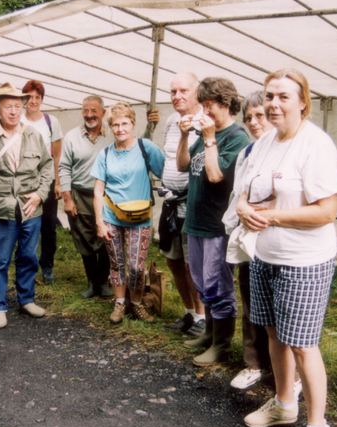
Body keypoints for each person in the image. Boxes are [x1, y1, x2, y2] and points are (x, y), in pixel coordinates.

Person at [237, 69, 337, 427]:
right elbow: (248, 194)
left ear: (303, 101)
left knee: (302, 343)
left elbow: (327, 211)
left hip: (305, 260)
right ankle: (284, 403)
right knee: (273, 334)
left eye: (283, 96)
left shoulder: (315, 144)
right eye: (269, 96)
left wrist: (275, 217)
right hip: (266, 255)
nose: (274, 104)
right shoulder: (264, 142)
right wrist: (245, 210)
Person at [177, 77, 249, 367]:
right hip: (195, 221)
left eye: (210, 106)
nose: (205, 111)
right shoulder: (205, 133)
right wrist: (185, 137)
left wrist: (208, 139)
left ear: (226, 104)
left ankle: (221, 345)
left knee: (218, 285)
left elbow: (216, 175)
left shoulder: (236, 138)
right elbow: (183, 165)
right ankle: (209, 334)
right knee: (201, 282)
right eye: (203, 105)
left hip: (217, 227)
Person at [0, 82, 53, 327]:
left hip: (31, 207)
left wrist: (40, 194)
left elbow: (47, 167)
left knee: (29, 255)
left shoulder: (33, 134)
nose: (13, 111)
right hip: (2, 208)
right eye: (8, 106)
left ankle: (26, 299)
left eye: (17, 106)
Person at [145, 73, 207, 338]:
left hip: (191, 204)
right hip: (170, 203)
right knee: (173, 261)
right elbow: (169, 156)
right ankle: (189, 312)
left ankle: (203, 316)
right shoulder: (172, 120)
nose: (177, 96)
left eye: (183, 91)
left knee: (193, 264)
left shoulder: (206, 121)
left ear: (197, 92)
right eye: (173, 92)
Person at [92, 102, 165, 324]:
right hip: (112, 216)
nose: (120, 129)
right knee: (117, 263)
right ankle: (120, 303)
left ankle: (137, 302)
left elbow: (166, 173)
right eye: (115, 125)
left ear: (133, 124)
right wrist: (99, 222)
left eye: (124, 123)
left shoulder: (146, 148)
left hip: (140, 218)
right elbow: (97, 190)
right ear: (111, 127)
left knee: (136, 266)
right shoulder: (104, 154)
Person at [223, 91, 274, 390]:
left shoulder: (287, 150)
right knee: (251, 298)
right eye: (249, 118)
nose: (254, 123)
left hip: (278, 237)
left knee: (278, 306)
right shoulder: (247, 153)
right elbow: (237, 195)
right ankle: (253, 362)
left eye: (260, 116)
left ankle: (283, 370)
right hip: (249, 236)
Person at [60, 95, 114, 298]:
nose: (89, 115)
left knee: (107, 237)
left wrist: (151, 127)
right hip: (80, 194)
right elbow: (64, 167)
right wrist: (67, 198)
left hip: (107, 195)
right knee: (84, 238)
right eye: (86, 111)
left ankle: (103, 281)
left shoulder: (112, 135)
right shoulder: (72, 137)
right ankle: (92, 282)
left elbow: (134, 147)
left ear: (103, 112)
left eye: (94, 111)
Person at [21, 80, 63, 285]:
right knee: (25, 224)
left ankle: (47, 266)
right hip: (24, 181)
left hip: (47, 180)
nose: (33, 101)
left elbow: (57, 154)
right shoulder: (18, 119)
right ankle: (25, 264)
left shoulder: (50, 121)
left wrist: (57, 182)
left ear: (42, 100)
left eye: (37, 97)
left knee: (48, 225)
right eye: (29, 97)